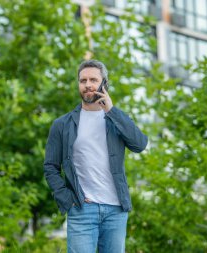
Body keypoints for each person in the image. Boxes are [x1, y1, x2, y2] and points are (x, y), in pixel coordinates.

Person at [43, 59, 148, 253]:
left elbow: (140, 144)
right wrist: (67, 199)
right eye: (83, 81)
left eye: (93, 79)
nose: (88, 85)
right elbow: (50, 166)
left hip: (116, 210)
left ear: (104, 83)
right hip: (82, 209)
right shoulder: (62, 124)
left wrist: (111, 110)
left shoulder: (115, 119)